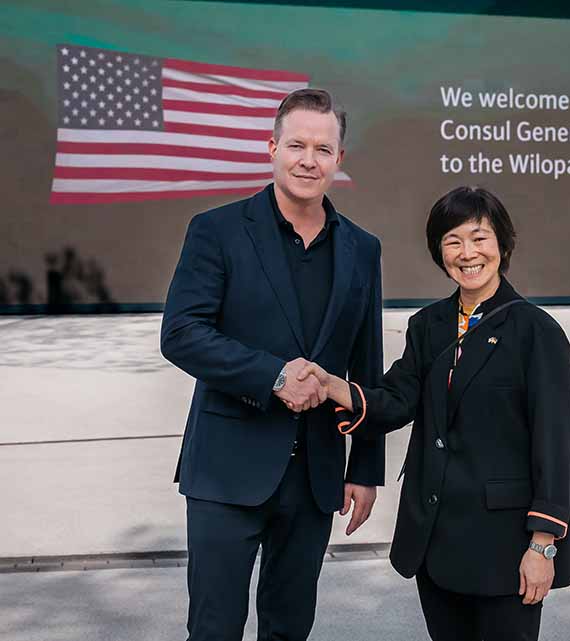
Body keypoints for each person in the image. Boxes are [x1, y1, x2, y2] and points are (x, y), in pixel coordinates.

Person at [301, 186, 570, 641]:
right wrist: (334, 386)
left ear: (503, 244)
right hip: (436, 539)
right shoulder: (427, 325)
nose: (467, 253)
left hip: (505, 546)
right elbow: (397, 399)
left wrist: (543, 544)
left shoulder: (537, 333)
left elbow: (557, 448)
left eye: (479, 238)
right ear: (439, 251)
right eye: (453, 241)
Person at [160, 88, 385, 641]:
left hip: (315, 476)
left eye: (323, 149)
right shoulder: (216, 230)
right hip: (226, 470)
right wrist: (274, 377)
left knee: (289, 628)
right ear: (272, 148)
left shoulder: (363, 248)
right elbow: (182, 334)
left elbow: (366, 363)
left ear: (339, 159)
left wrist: (365, 468)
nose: (309, 160)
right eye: (296, 146)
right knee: (213, 629)